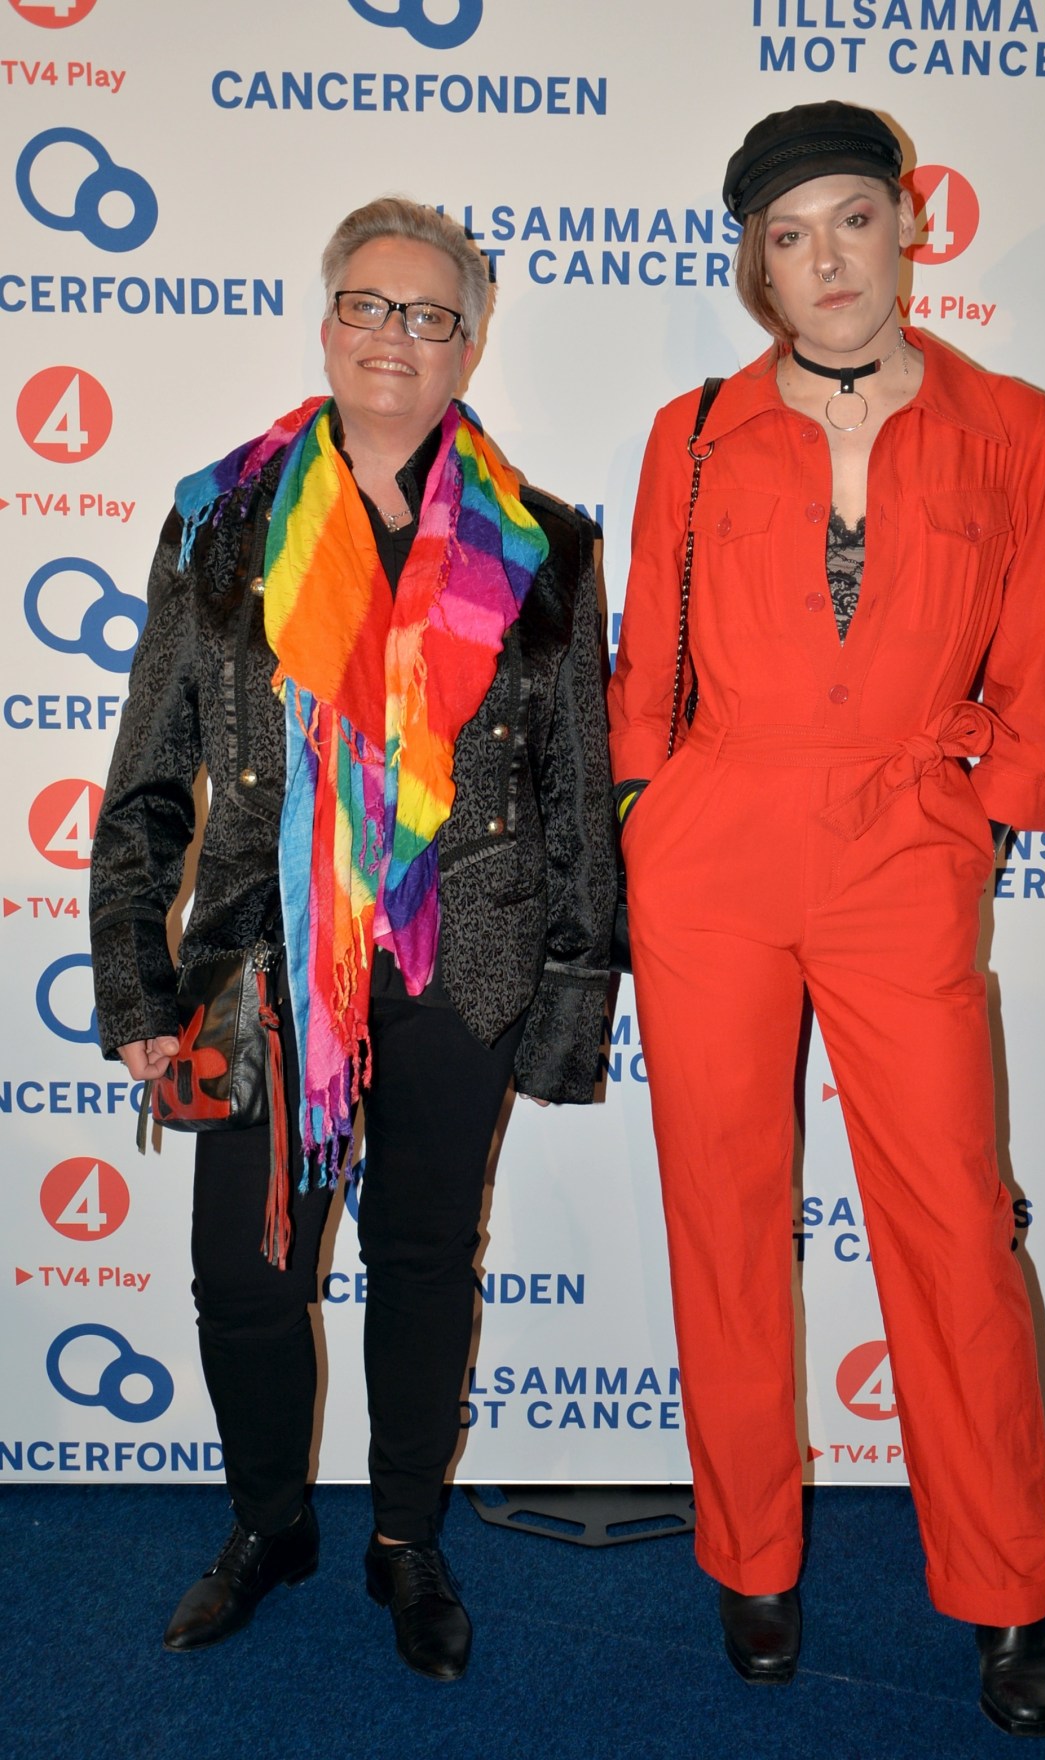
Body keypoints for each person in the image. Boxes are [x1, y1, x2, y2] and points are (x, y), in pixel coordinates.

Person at [90, 196, 615, 1680]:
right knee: (245, 1277)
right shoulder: (217, 524)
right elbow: (146, 780)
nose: (397, 335)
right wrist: (137, 987)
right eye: (369, 305)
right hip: (258, 968)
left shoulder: (546, 547)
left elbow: (580, 795)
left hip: (469, 960)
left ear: (469, 344)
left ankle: (404, 1539)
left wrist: (569, 1008)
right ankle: (270, 1525)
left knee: (426, 1259)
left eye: (430, 314)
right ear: (327, 325)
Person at [608, 102, 1045, 1737]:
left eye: (855, 220)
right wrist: (647, 811)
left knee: (953, 1227)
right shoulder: (693, 431)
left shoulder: (1014, 426)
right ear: (758, 260)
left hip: (903, 849)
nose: (829, 262)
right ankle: (750, 1560)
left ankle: (1007, 1589)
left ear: (909, 224)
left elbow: (1036, 659)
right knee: (726, 1219)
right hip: (713, 855)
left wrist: (972, 822)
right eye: (791, 234)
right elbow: (645, 664)